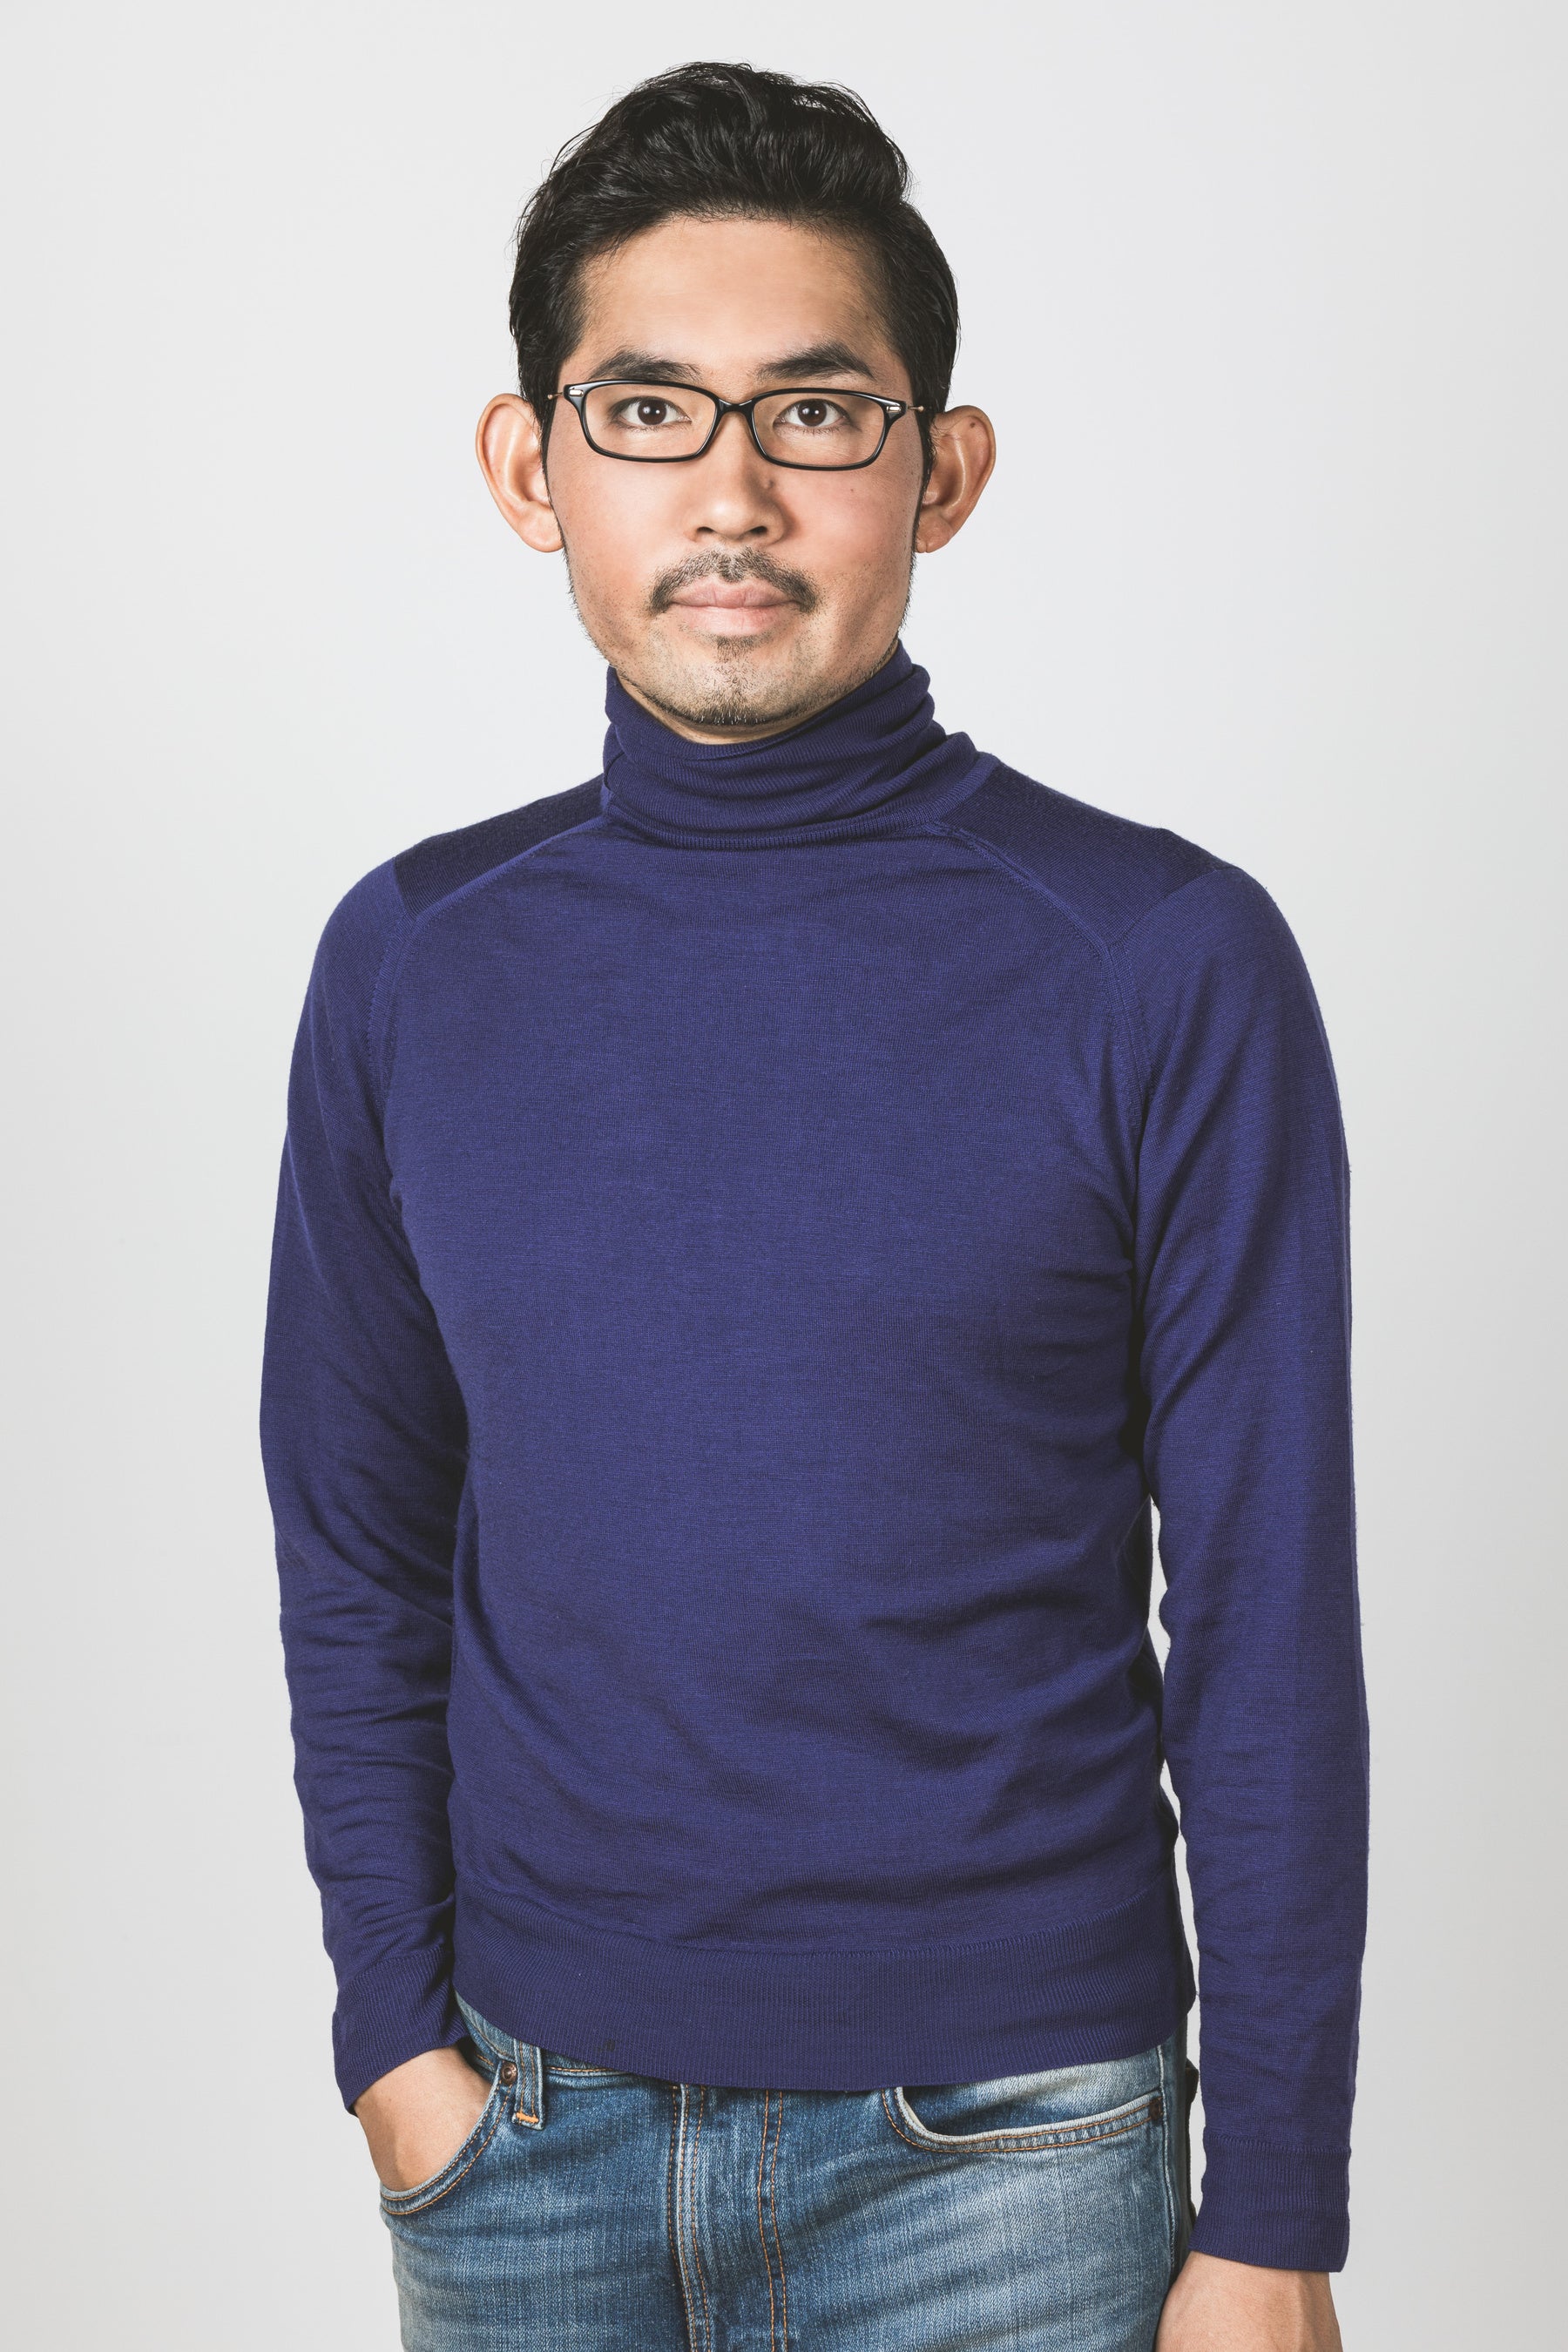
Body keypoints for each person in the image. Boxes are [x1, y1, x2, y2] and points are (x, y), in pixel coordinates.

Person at [260, 59, 1367, 2352]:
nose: (734, 491)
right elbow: (357, 1537)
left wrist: (1275, 2217)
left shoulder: (1163, 960)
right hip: (521, 2146)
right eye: (648, 409)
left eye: (819, 411)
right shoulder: (415, 960)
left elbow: (1266, 1615)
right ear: (531, 466)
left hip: (1010, 2162)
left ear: (941, 469)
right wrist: (395, 2046)